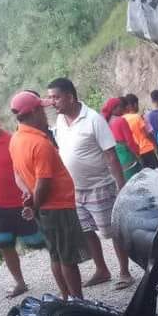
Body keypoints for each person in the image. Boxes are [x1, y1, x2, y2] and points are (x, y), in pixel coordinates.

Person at [47, 77, 132, 289]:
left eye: (56, 97)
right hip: (75, 190)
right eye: (50, 98)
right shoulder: (59, 121)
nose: (52, 102)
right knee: (86, 231)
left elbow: (111, 155)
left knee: (113, 230)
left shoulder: (93, 119)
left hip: (100, 187)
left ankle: (124, 272)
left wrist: (121, 188)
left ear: (70, 96)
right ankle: (102, 270)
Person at [9, 91, 87, 300]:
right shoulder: (40, 144)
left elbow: (17, 173)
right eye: (42, 110)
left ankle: (65, 299)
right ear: (33, 112)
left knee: (56, 256)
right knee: (68, 259)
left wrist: (28, 195)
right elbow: (44, 182)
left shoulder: (16, 139)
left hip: (43, 208)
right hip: (56, 207)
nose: (45, 113)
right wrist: (35, 202)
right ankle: (79, 304)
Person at [0, 99, 43, 297]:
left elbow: (25, 170)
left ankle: (65, 271)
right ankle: (20, 282)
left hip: (23, 204)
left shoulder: (13, 140)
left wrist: (32, 195)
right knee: (6, 247)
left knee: (43, 241)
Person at [101, 98, 141, 181]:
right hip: (128, 157)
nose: (123, 109)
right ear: (114, 108)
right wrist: (137, 155)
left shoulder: (107, 123)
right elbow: (130, 142)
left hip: (119, 160)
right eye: (121, 107)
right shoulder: (121, 120)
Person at [121, 94, 158, 169]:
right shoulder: (137, 117)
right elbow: (147, 134)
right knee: (156, 171)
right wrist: (156, 145)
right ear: (135, 104)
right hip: (147, 149)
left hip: (136, 153)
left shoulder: (122, 119)